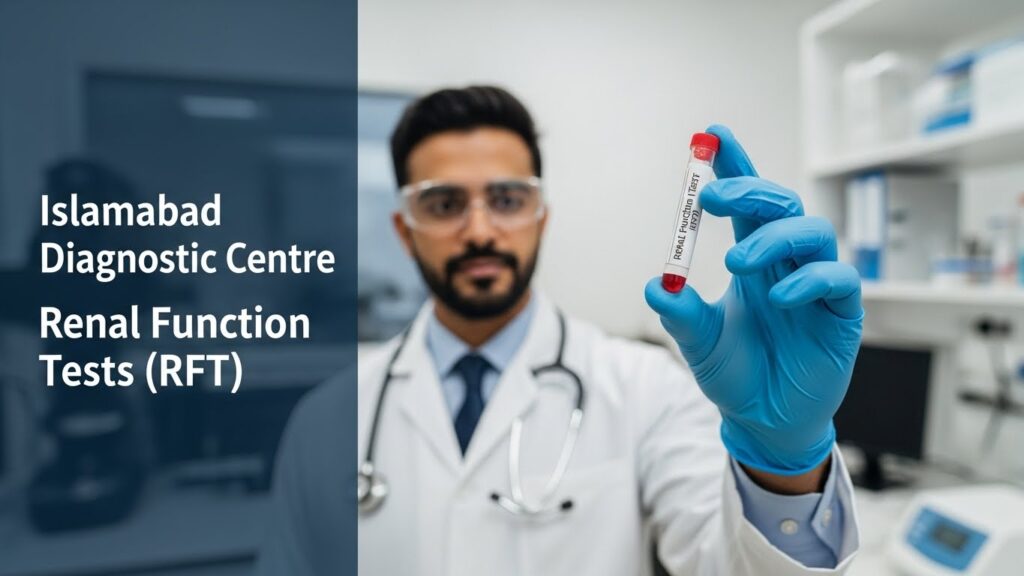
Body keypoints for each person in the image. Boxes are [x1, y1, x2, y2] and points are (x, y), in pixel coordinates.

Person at [258, 86, 864, 575]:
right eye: (443, 204)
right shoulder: (328, 418)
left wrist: (784, 468)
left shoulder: (648, 391)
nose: (479, 231)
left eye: (506, 199)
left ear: (540, 215)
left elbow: (726, 564)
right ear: (404, 229)